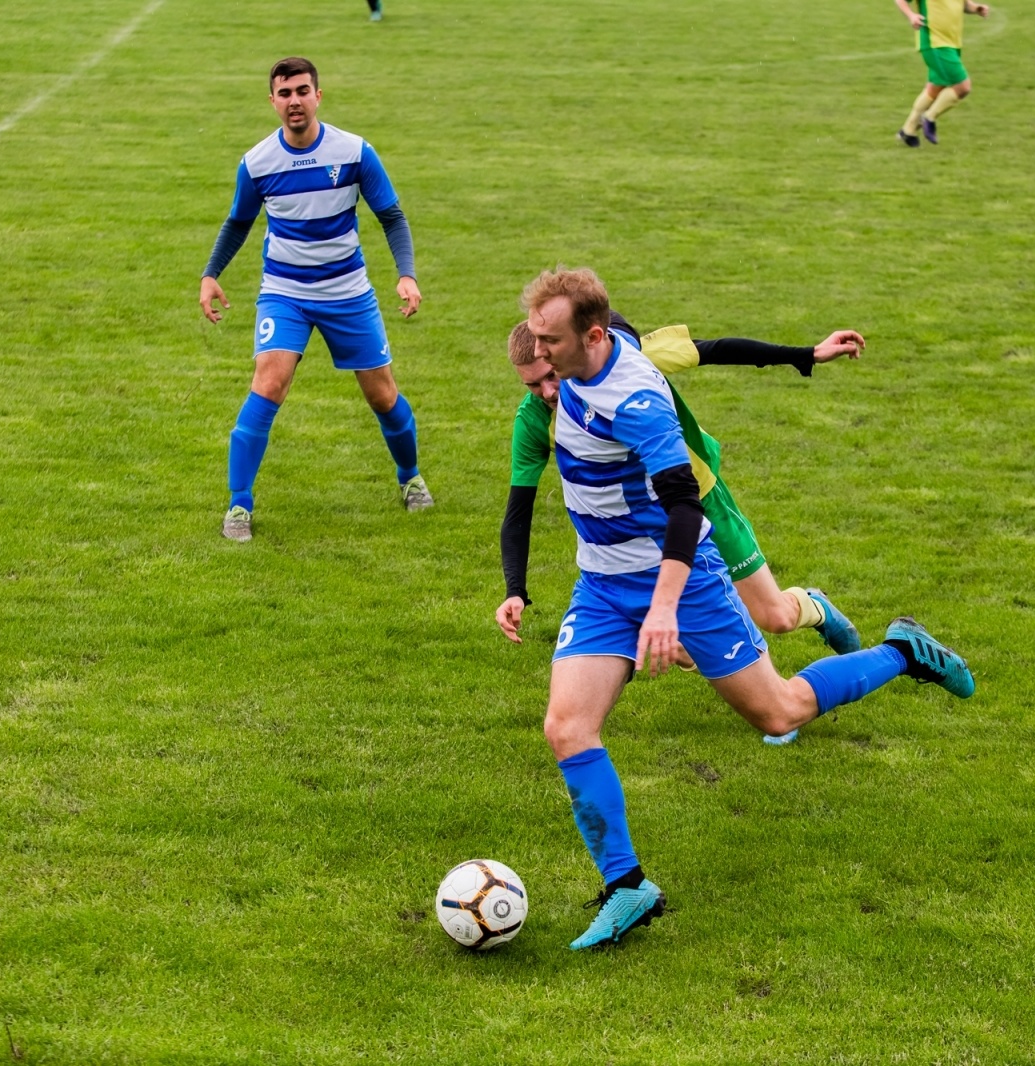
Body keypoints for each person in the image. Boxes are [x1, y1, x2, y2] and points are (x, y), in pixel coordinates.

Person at [521, 268, 975, 950]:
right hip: (603, 586)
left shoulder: (638, 399)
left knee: (780, 710)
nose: (538, 351)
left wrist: (665, 608)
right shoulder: (572, 368)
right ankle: (628, 887)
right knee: (567, 728)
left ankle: (903, 651)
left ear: (591, 334)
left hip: (684, 580)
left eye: (549, 340)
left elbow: (681, 507)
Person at [496, 313, 867, 744]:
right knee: (683, 636)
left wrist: (807, 355)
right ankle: (770, 697)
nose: (546, 392)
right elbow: (517, 510)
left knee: (775, 617)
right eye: (532, 386)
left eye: (548, 378)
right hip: (645, 537)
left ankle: (813, 608)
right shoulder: (534, 420)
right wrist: (515, 588)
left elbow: (715, 350)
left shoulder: (626, 364)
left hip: (700, 500)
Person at [199, 56, 431, 543]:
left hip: (348, 291)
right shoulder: (257, 162)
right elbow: (238, 222)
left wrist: (405, 274)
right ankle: (239, 505)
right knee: (270, 381)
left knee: (382, 394)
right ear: (273, 102)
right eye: (284, 94)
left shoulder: (354, 152)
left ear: (318, 96)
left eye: (302, 91)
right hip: (285, 291)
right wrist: (211, 273)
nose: (294, 101)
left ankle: (409, 476)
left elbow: (391, 215)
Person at [894, 0, 990, 147]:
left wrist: (976, 8)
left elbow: (963, 4)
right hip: (935, 42)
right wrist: (911, 16)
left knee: (936, 87)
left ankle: (908, 130)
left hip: (952, 43)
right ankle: (929, 117)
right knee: (963, 86)